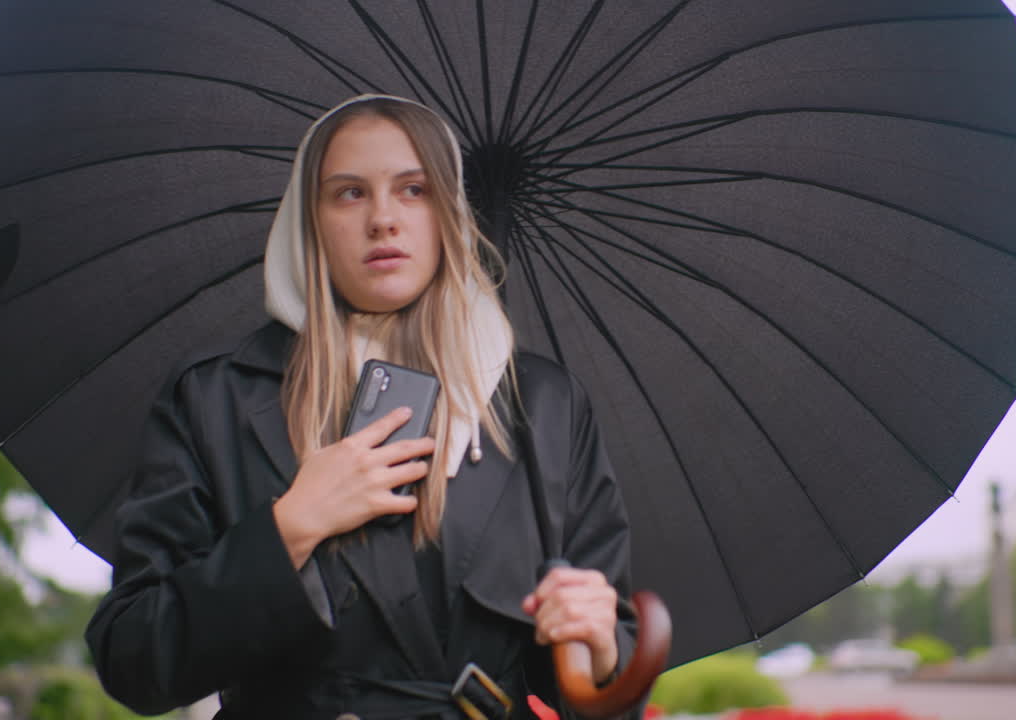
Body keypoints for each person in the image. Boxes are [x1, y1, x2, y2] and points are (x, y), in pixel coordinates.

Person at [86, 95, 640, 719]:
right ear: (310, 221)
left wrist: (598, 650)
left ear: (449, 213)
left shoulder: (544, 405)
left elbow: (608, 699)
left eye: (414, 190)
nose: (383, 219)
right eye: (349, 193)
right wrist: (291, 525)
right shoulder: (215, 397)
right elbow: (134, 658)